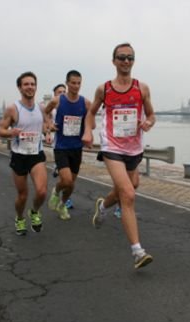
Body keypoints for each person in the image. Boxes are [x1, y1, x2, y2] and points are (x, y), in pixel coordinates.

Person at [82, 43, 156, 269]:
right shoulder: (104, 89)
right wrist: (88, 131)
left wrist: (148, 123)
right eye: (121, 57)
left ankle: (103, 206)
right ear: (113, 61)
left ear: (133, 61)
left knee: (132, 185)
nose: (126, 61)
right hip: (112, 147)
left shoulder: (141, 88)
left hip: (134, 148)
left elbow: (152, 114)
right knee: (128, 195)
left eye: (130, 58)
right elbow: (91, 113)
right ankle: (137, 252)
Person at [0, 71, 46, 236]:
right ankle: (19, 217)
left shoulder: (41, 107)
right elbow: (1, 130)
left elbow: (46, 125)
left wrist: (50, 130)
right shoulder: (13, 108)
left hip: (36, 154)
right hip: (19, 155)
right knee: (22, 195)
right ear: (20, 87)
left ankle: (34, 212)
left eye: (32, 84)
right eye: (26, 84)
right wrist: (11, 133)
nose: (30, 87)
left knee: (41, 191)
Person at [46, 71, 90, 220]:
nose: (76, 86)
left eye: (79, 83)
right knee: (66, 180)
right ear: (67, 83)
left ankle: (62, 205)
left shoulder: (85, 103)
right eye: (73, 83)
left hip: (77, 148)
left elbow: (91, 121)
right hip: (61, 147)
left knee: (71, 185)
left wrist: (89, 132)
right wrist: (50, 124)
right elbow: (46, 113)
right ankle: (56, 191)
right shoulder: (57, 101)